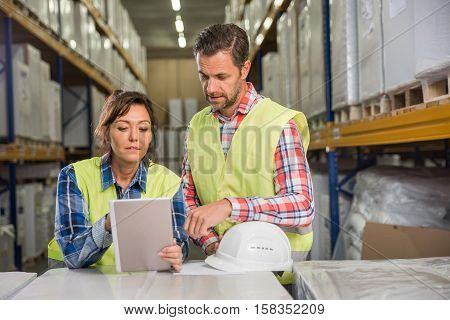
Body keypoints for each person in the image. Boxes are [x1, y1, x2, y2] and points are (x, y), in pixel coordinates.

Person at [182, 24, 315, 285]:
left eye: (221, 76)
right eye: (203, 76)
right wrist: (210, 243)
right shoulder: (197, 125)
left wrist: (230, 207)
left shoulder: (279, 122)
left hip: (277, 273)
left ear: (244, 69)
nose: (210, 88)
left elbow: (302, 206)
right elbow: (188, 197)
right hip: (221, 265)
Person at [48, 90, 188, 271]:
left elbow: (180, 241)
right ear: (106, 133)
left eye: (143, 129)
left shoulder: (170, 182)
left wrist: (177, 253)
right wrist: (109, 223)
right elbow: (73, 256)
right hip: (82, 288)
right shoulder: (74, 176)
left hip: (141, 288)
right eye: (123, 128)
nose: (134, 137)